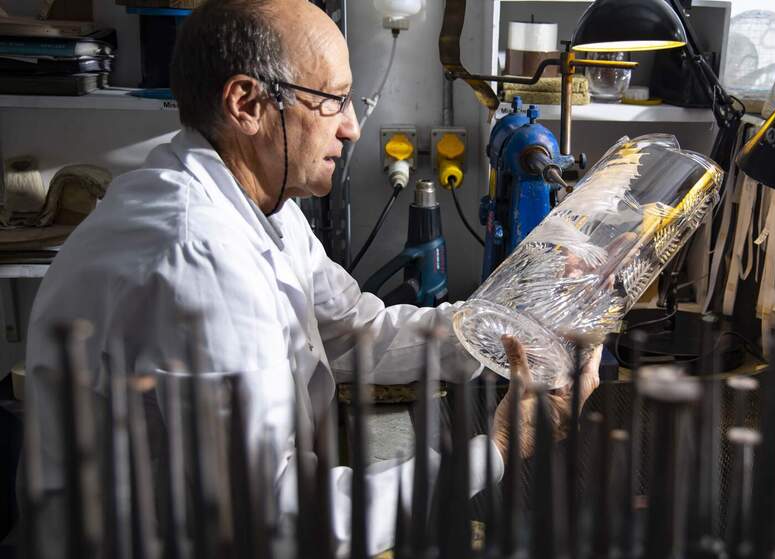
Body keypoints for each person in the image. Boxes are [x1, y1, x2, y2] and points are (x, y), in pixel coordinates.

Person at [24, 0, 600, 554]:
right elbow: (278, 522)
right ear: (247, 104)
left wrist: (514, 327)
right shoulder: (198, 253)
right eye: (333, 100)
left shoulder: (259, 204)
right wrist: (499, 447)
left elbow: (353, 330)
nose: (352, 127)